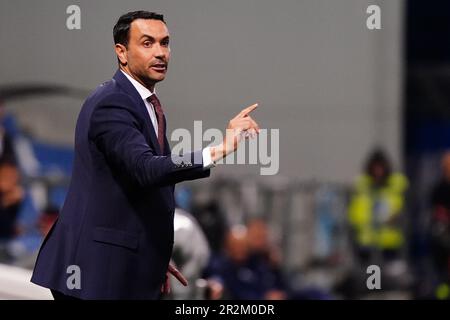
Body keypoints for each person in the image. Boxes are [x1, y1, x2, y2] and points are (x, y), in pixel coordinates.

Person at [31, 10, 260, 299]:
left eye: (165, 43)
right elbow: (147, 169)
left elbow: (138, 191)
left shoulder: (145, 104)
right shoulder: (112, 102)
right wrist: (219, 150)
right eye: (148, 43)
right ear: (122, 52)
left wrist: (152, 257)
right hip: (93, 273)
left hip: (120, 268)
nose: (161, 52)